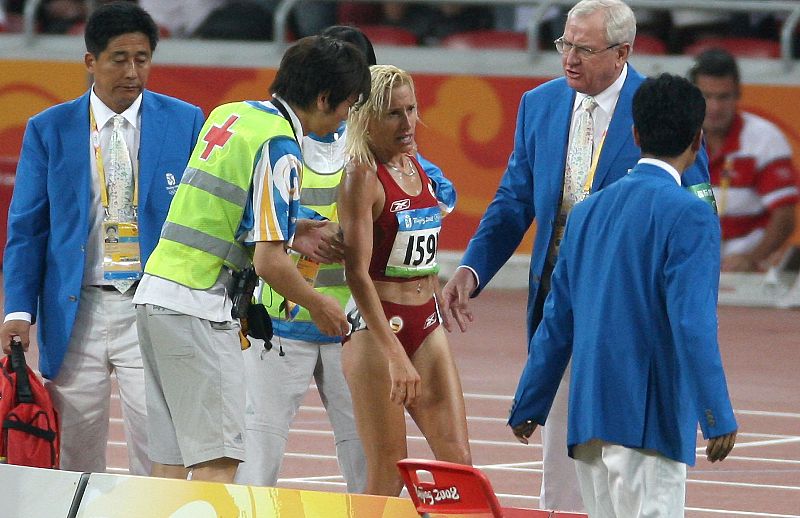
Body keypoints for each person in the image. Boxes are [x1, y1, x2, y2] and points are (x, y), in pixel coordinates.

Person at [441, 0, 711, 511]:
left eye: (584, 50)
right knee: (563, 467)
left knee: (633, 468)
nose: (569, 58)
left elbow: (695, 203)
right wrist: (472, 269)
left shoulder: (659, 109)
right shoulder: (538, 105)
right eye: (565, 44)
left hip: (634, 314)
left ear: (622, 52)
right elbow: (513, 200)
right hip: (557, 308)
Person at [132, 35, 370, 484]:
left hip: (156, 295)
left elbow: (226, 205)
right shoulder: (281, 148)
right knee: (218, 464)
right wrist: (320, 305)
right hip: (200, 306)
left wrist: (294, 226)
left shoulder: (232, 115)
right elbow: (269, 263)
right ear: (323, 99)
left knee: (169, 463)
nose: (347, 116)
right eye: (348, 105)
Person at [235, 25, 458, 492]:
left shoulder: (390, 151)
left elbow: (438, 197)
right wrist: (304, 227)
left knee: (369, 467)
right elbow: (251, 215)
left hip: (355, 323)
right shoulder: (284, 139)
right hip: (284, 320)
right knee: (255, 458)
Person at [509, 73, 738, 517]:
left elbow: (558, 321)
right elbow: (692, 323)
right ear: (698, 141)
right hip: (649, 420)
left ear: (634, 134)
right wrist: (716, 414)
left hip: (589, 417)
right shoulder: (691, 216)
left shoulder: (587, 212)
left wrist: (531, 400)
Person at [1, 1, 205, 475]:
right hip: (76, 311)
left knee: (159, 451)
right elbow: (27, 229)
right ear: (91, 61)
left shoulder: (187, 121)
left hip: (153, 305)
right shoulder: (48, 129)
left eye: (142, 58)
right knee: (72, 453)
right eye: (119, 58)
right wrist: (17, 309)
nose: (133, 71)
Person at [337, 64, 471, 496]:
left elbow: (419, 250)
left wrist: (436, 291)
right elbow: (355, 273)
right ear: (366, 118)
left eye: (411, 110)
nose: (408, 122)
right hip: (378, 332)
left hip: (425, 323)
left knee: (458, 465)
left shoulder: (416, 166)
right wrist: (395, 355)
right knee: (387, 474)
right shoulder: (361, 175)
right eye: (394, 114)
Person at [689, 48, 798, 272]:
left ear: (738, 94)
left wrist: (751, 259)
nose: (715, 107)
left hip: (748, 271)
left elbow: (785, 217)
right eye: (706, 96)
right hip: (688, 266)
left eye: (724, 97)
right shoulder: (674, 137)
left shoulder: (765, 139)